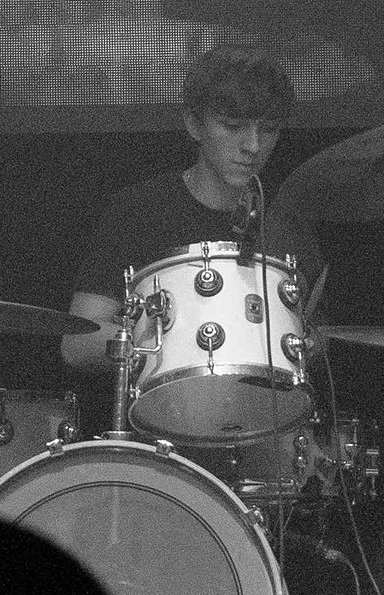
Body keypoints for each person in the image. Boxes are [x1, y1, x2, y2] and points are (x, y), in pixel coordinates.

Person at [57, 45, 326, 397]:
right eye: (233, 126)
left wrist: (310, 343)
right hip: (165, 414)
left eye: (269, 129)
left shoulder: (287, 224)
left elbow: (317, 337)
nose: (253, 145)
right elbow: (76, 345)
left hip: (268, 413)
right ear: (194, 125)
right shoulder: (140, 211)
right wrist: (168, 343)